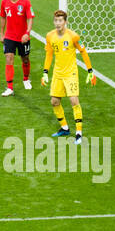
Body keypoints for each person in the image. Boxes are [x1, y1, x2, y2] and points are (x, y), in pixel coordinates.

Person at [41, 10, 94, 144]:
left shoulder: (73, 36)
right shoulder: (49, 36)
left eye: (60, 21)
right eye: (56, 20)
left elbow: (83, 51)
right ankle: (64, 128)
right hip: (58, 73)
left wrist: (90, 71)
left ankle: (79, 133)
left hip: (71, 73)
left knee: (73, 100)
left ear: (65, 22)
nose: (57, 23)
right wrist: (45, 72)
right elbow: (49, 54)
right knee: (54, 101)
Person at [0, 0, 35, 96]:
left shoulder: (26, 2)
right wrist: (1, 33)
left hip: (23, 38)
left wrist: (27, 33)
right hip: (9, 36)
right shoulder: (4, 2)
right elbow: (3, 17)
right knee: (9, 58)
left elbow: (30, 18)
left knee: (25, 59)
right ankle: (9, 87)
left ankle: (25, 79)